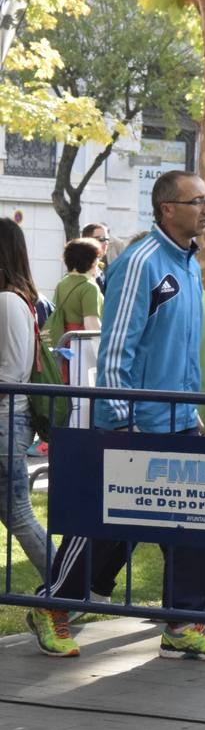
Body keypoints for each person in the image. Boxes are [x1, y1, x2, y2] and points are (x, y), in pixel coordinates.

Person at [35, 171, 205, 662]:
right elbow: (115, 353)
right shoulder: (141, 262)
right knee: (107, 524)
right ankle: (53, 606)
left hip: (180, 419)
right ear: (167, 208)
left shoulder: (189, 262)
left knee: (193, 524)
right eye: (199, 201)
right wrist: (123, 422)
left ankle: (184, 622)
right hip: (137, 425)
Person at [0, 219, 53, 587]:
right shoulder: (17, 299)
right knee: (16, 513)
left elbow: (11, 374)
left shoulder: (7, 301)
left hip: (6, 421)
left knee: (18, 514)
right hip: (10, 420)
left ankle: (68, 585)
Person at [45, 237, 102, 350]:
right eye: (97, 258)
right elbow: (91, 325)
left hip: (63, 343)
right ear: (91, 261)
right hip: (81, 347)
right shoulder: (89, 287)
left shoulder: (62, 282)